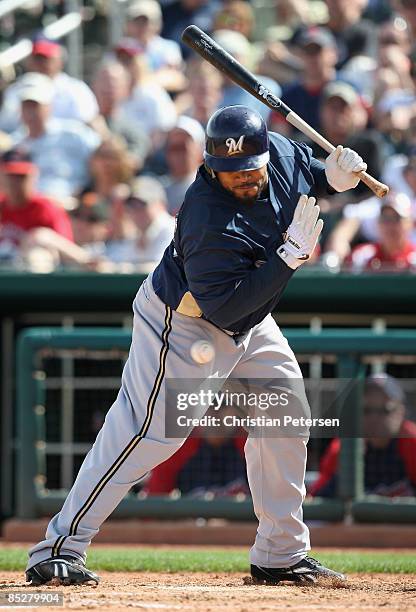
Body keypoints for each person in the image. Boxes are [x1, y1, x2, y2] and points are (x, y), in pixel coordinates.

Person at [25, 105, 366, 586]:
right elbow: (228, 310)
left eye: (251, 167)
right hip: (189, 321)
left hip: (253, 312)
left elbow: (305, 171)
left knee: (285, 416)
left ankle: (280, 552)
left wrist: (332, 176)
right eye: (230, 172)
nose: (243, 178)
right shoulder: (207, 216)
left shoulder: (282, 154)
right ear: (210, 167)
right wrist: (289, 256)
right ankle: (57, 547)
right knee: (150, 435)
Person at [311, 374, 416, 498]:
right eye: (366, 410)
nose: (374, 418)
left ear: (401, 412)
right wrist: (347, 467)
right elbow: (317, 497)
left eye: (384, 410)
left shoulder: (411, 442)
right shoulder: (345, 446)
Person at [11, 74, 100, 201]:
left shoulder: (75, 133)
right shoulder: (15, 145)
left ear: (49, 106)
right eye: (27, 106)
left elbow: (105, 156)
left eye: (36, 105)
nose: (31, 112)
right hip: (35, 210)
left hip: (78, 205)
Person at [0, 148, 73, 265]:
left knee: (38, 248)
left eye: (21, 177)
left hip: (34, 269)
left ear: (33, 176)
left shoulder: (46, 207)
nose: (15, 183)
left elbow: (65, 247)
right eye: (11, 176)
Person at [345, 194, 416, 271]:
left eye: (396, 218)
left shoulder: (414, 257)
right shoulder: (362, 256)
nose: (390, 225)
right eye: (385, 218)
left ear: (410, 223)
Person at [161, 116, 205, 215]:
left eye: (183, 148)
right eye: (173, 148)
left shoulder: (208, 187)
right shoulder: (160, 189)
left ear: (200, 150)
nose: (177, 155)